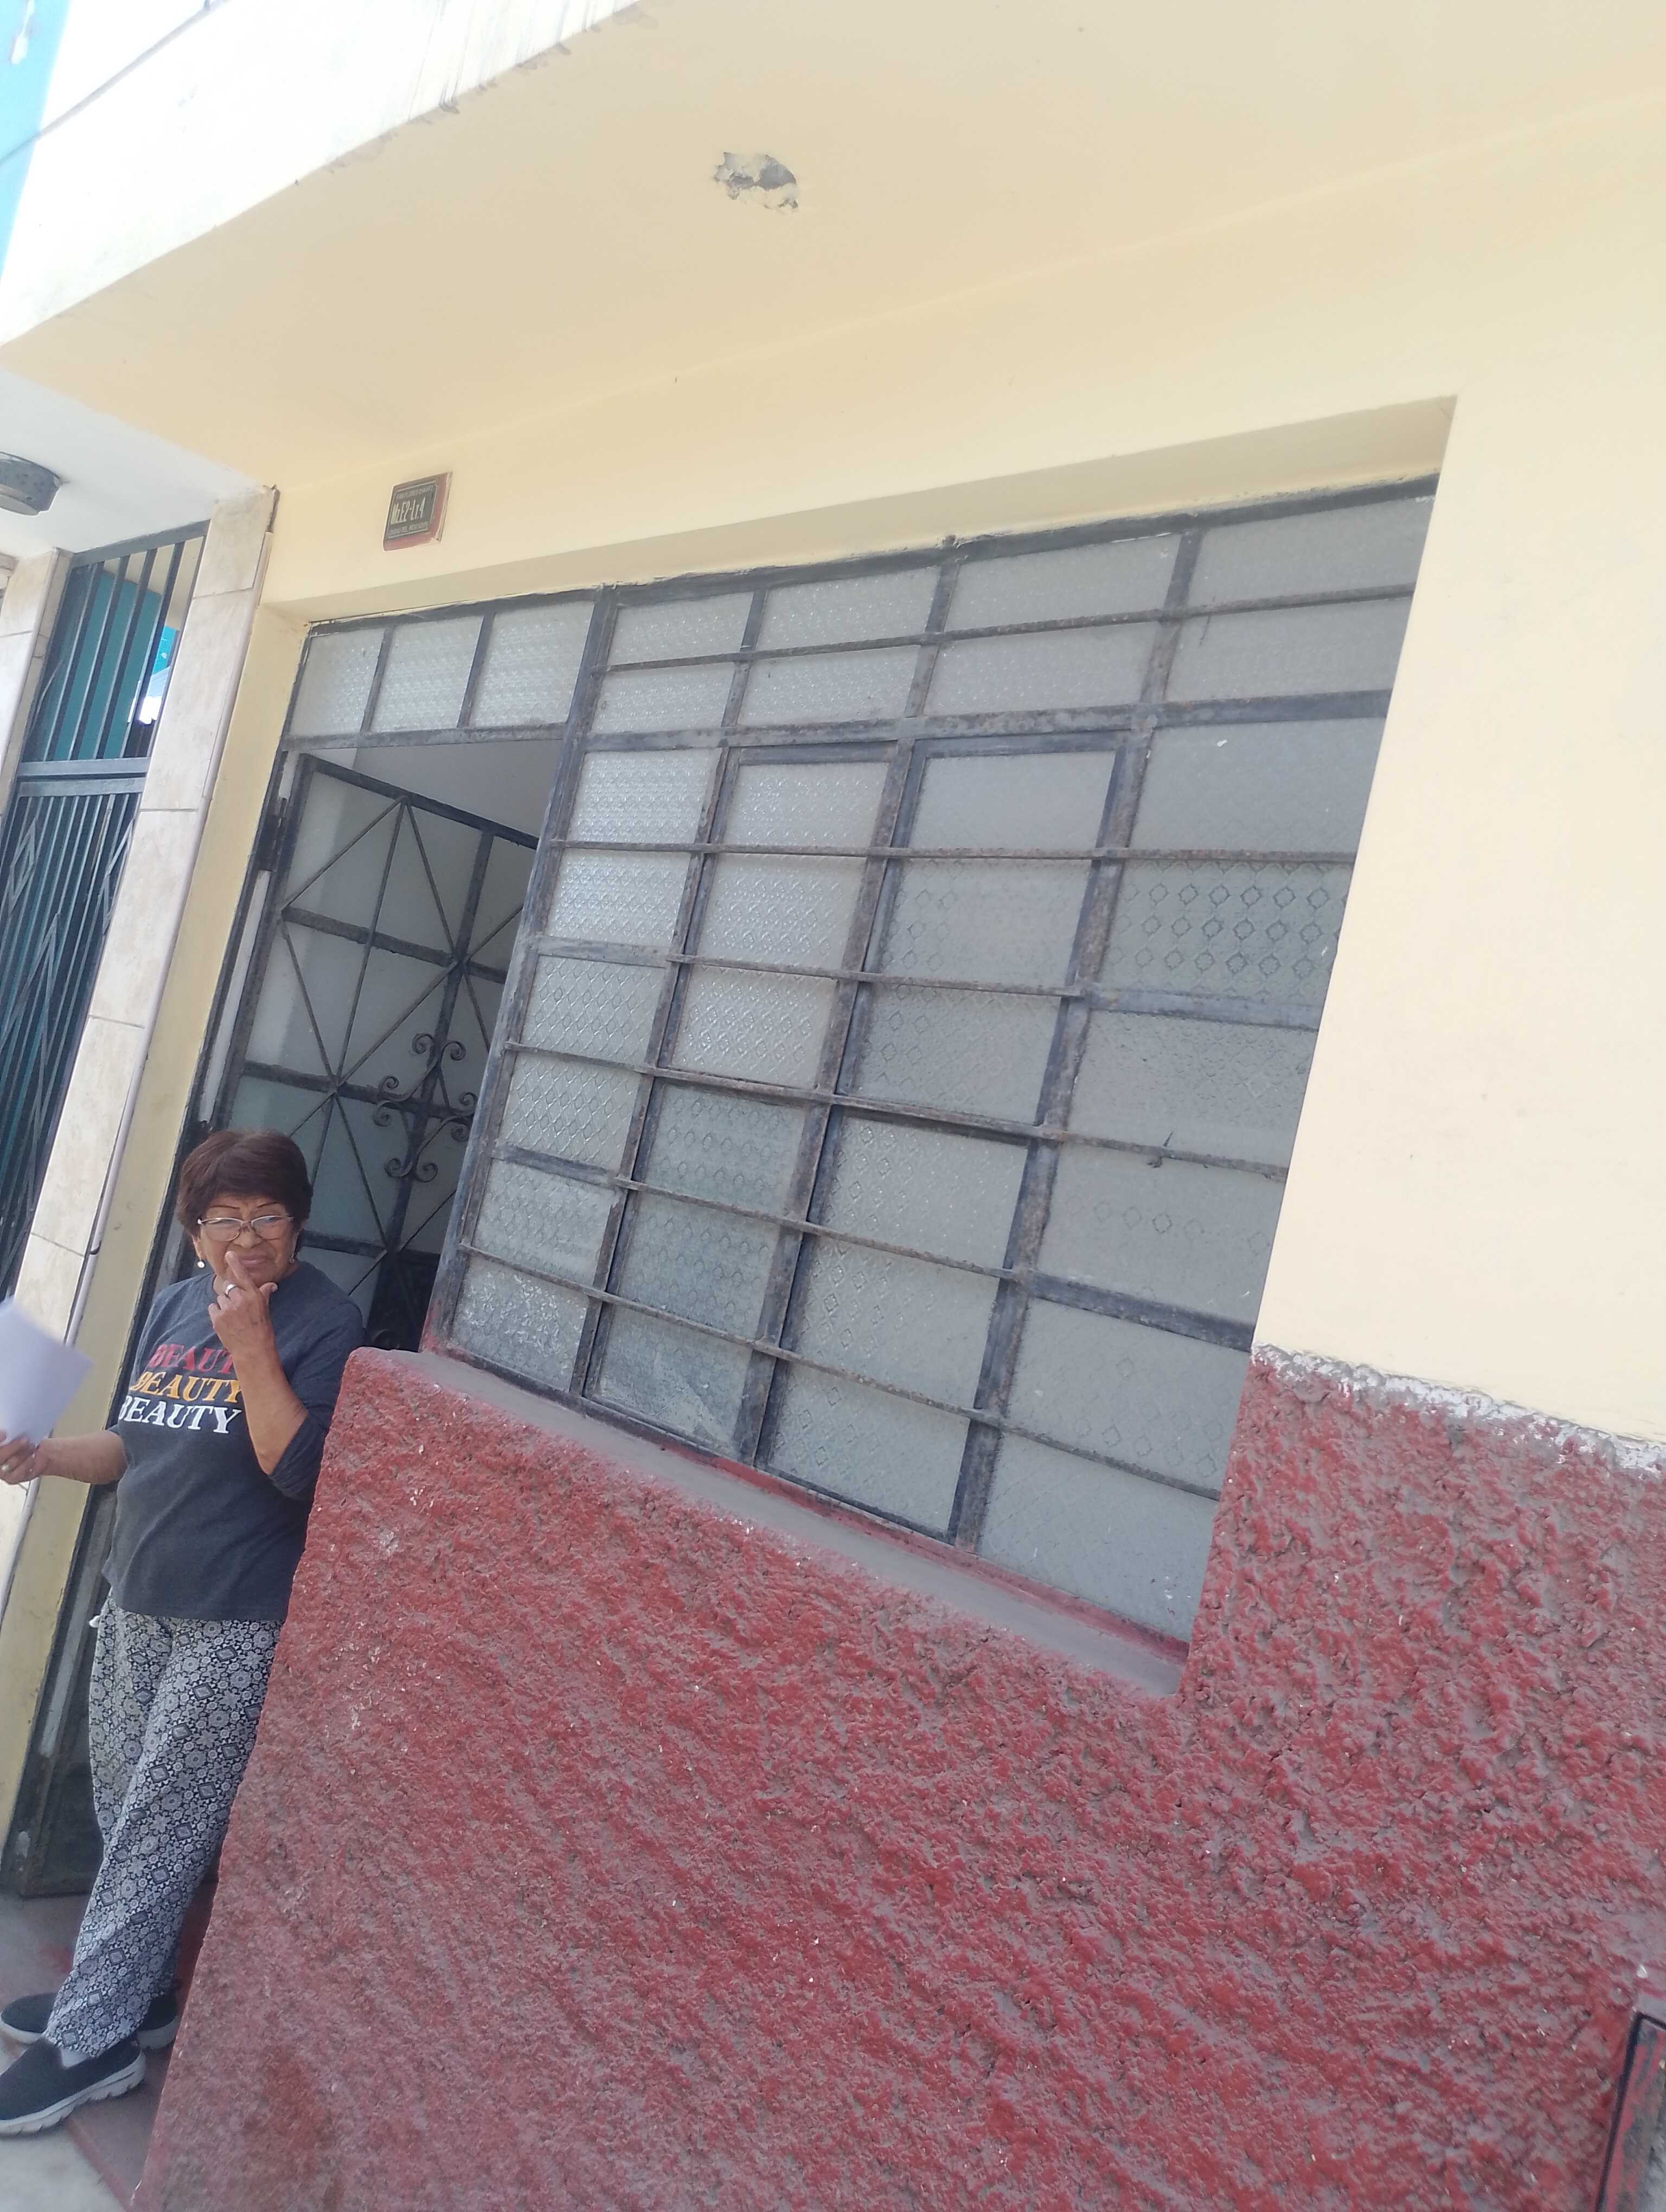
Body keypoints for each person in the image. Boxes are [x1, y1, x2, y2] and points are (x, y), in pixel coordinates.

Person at [0, 1130, 363, 2135]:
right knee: (124, 1811)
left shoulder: (326, 1323)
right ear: (195, 1232)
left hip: (232, 1619)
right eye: (224, 1219)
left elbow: (298, 1471)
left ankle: (94, 2041)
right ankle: (142, 1996)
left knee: (161, 1830)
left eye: (267, 1216)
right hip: (138, 1593)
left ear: (298, 1224)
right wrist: (43, 1455)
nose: (247, 1237)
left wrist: (251, 1346)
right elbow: (134, 1445)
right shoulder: (174, 1305)